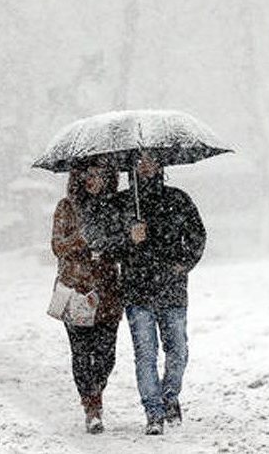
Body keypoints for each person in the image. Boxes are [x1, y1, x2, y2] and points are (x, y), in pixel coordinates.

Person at [117, 152, 206, 435]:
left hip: (172, 289)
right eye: (139, 161)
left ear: (160, 165)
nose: (145, 166)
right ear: (131, 167)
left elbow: (197, 235)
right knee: (145, 354)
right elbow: (108, 246)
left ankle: (170, 397)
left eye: (151, 160)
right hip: (137, 290)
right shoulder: (123, 203)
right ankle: (153, 411)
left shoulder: (178, 199)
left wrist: (184, 263)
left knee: (177, 350)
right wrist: (128, 239)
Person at [51, 165, 124, 434]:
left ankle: (95, 393)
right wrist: (81, 240)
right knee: (82, 355)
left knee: (106, 356)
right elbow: (57, 246)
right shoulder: (67, 207)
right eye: (89, 175)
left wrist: (109, 246)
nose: (94, 181)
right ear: (79, 178)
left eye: (101, 175)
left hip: (107, 294)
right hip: (76, 290)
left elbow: (124, 246)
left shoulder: (114, 208)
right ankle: (91, 407)